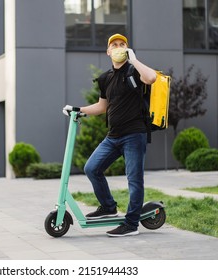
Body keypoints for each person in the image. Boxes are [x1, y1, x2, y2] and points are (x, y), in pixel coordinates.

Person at [63, 34, 156, 237]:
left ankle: (131, 224)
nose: (118, 47)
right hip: (113, 136)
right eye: (114, 45)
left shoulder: (134, 70)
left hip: (134, 135)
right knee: (91, 168)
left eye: (122, 44)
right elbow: (101, 107)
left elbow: (151, 78)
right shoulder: (106, 78)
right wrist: (77, 109)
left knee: (134, 179)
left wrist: (134, 59)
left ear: (127, 49)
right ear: (108, 52)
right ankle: (108, 206)